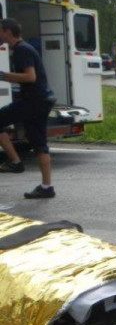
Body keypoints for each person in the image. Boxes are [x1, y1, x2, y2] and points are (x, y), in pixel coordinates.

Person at [0, 18, 57, 198]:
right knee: (39, 144)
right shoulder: (23, 48)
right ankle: (47, 187)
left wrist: (4, 75)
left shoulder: (21, 50)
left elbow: (30, 77)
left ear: (7, 31)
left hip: (33, 100)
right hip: (42, 100)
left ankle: (16, 162)